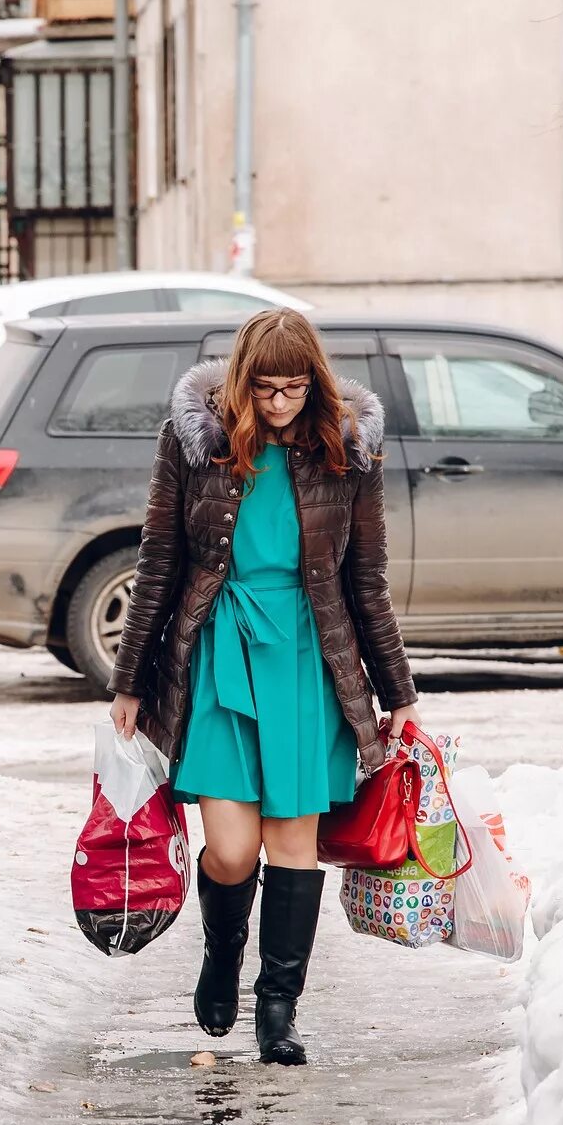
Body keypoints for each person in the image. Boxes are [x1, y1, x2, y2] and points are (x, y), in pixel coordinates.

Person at [106, 307, 423, 1066]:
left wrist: (398, 690)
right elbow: (159, 561)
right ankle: (221, 949)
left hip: (308, 656)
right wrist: (128, 678)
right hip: (219, 651)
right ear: (241, 384)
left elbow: (366, 581)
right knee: (231, 849)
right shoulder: (197, 444)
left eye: (294, 388)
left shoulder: (349, 451)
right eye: (266, 389)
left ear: (314, 382)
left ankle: (277, 1008)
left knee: (293, 845)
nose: (280, 403)